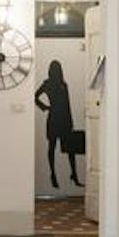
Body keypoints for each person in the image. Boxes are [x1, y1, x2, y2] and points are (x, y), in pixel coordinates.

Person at [35, 58, 82, 190]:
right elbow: (35, 96)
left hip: (63, 119)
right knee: (53, 147)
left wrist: (70, 121)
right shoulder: (48, 84)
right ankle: (53, 174)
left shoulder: (63, 84)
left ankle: (73, 174)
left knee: (69, 148)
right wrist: (44, 107)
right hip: (56, 119)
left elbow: (67, 105)